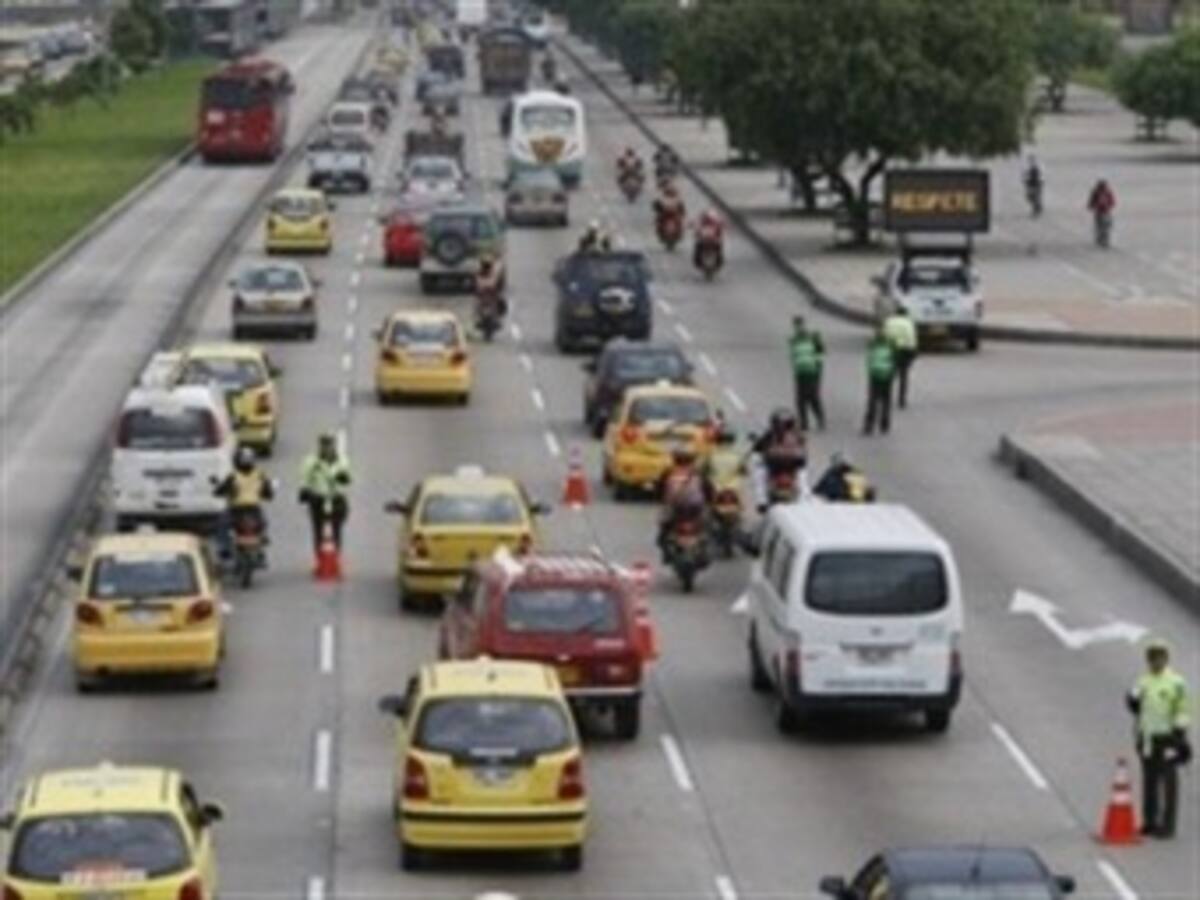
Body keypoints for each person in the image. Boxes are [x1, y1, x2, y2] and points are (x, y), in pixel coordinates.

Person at [1127, 640, 1191, 838]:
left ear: (1166, 659)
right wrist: (1131, 701)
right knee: (1149, 780)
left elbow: (1183, 709)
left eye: (1160, 657)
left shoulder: (1176, 683)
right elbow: (1135, 704)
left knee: (1168, 781)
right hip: (1146, 737)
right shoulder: (1143, 681)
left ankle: (1167, 825)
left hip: (1168, 737)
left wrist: (1179, 737)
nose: (1156, 662)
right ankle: (1150, 821)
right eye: (1153, 658)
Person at [212, 445, 274, 560]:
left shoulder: (233, 476)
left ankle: (224, 548)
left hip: (236, 510)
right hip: (254, 509)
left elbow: (219, 491)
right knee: (263, 525)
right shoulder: (260, 475)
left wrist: (219, 489)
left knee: (221, 525)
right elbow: (269, 494)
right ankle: (261, 546)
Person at [299, 432, 352, 561]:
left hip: (336, 498)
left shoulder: (342, 460)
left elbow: (347, 476)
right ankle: (319, 558)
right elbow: (305, 478)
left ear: (334, 446)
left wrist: (344, 478)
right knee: (318, 528)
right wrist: (304, 491)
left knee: (336, 528)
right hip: (318, 498)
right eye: (324, 445)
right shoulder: (311, 461)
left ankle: (336, 557)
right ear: (320, 446)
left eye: (330, 444)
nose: (327, 448)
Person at [656, 447, 710, 556]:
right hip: (696, 506)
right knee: (706, 525)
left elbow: (659, 488)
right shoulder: (697, 473)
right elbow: (708, 489)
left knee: (664, 529)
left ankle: (667, 551)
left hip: (675, 506)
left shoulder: (668, 472)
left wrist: (661, 499)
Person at [750, 408, 807, 510]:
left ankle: (761, 500)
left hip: (777, 465)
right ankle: (804, 499)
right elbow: (803, 452)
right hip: (790, 465)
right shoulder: (798, 435)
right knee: (802, 476)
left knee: (759, 473)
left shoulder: (772, 434)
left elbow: (757, 448)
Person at [788, 316, 825, 431]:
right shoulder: (794, 340)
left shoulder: (813, 338)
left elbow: (821, 353)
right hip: (800, 372)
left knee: (812, 397)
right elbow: (794, 356)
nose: (798, 328)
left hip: (812, 372)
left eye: (800, 325)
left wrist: (818, 370)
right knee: (800, 400)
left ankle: (820, 419)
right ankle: (804, 423)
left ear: (804, 325)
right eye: (796, 326)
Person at [862, 327, 896, 436]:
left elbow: (868, 361)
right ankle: (884, 424)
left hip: (875, 376)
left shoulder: (872, 345)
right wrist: (892, 373)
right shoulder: (891, 345)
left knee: (872, 401)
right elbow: (894, 361)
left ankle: (869, 425)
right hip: (887, 376)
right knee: (886, 400)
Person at [882, 307, 918, 409]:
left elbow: (884, 335)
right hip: (904, 351)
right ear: (905, 314)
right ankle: (902, 400)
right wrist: (913, 353)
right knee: (903, 376)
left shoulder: (889, 322)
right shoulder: (908, 323)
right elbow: (911, 338)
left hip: (890, 350)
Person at [1087, 178, 1115, 245]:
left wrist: (1091, 206)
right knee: (1102, 227)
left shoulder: (1105, 193)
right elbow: (1112, 202)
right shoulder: (1098, 193)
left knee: (1103, 227)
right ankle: (1102, 239)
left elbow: (1112, 202)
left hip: (1104, 212)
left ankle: (1103, 240)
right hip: (1102, 212)